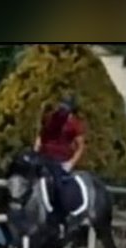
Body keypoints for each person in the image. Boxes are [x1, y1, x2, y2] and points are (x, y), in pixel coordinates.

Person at [34, 95, 87, 237]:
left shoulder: (75, 125)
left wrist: (71, 163)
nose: (61, 108)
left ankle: (60, 218)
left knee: (58, 186)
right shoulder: (51, 118)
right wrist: (36, 149)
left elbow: (80, 146)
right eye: (61, 105)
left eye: (65, 106)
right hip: (44, 156)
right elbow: (41, 134)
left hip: (61, 160)